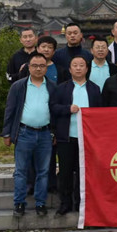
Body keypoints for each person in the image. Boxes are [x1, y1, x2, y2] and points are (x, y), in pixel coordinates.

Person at [1, 52, 56, 217]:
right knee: (21, 170)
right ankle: (19, 203)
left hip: (45, 134)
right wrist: (7, 133)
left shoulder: (52, 87)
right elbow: (10, 110)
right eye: (35, 66)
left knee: (43, 171)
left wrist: (55, 132)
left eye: (42, 66)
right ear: (28, 67)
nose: (38, 69)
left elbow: (55, 112)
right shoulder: (18, 86)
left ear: (46, 68)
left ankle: (40, 203)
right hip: (24, 132)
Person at [50, 56, 102, 216]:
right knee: (65, 172)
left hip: (87, 138)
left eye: (81, 65)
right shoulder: (62, 88)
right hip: (67, 137)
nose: (78, 68)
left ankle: (81, 203)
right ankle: (65, 203)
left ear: (87, 69)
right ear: (70, 69)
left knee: (83, 172)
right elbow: (53, 107)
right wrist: (67, 109)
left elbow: (100, 112)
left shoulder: (94, 89)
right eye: (75, 65)